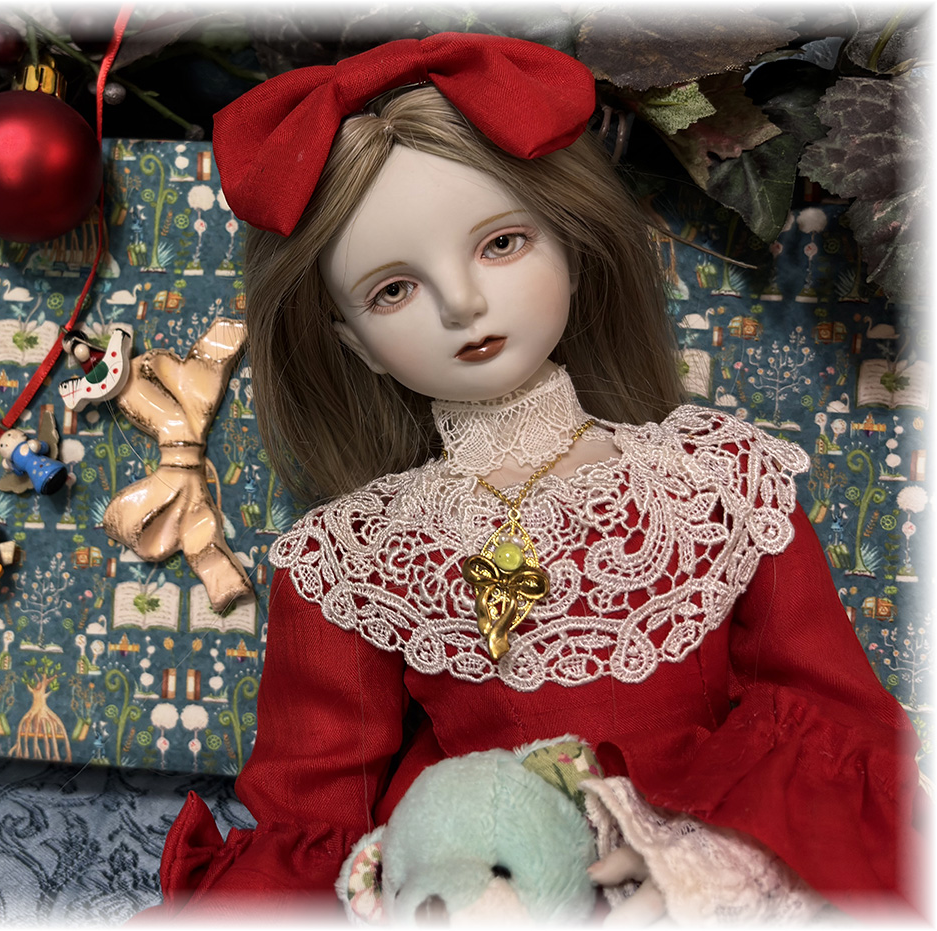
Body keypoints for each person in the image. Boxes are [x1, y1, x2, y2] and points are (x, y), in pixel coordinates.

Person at [155, 33, 922, 922]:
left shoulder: (717, 480)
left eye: (502, 243)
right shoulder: (353, 557)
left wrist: (709, 858)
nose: (463, 303)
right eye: (393, 290)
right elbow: (314, 818)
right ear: (353, 343)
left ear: (571, 241)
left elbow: (831, 714)